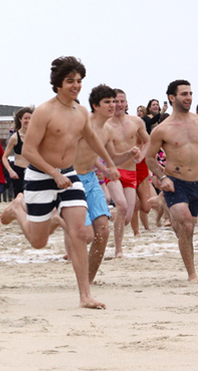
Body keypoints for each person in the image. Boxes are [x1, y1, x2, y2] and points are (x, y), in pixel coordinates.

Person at [0, 56, 120, 309]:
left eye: (78, 81)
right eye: (70, 81)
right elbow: (29, 151)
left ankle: (85, 295)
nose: (76, 86)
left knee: (78, 232)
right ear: (57, 84)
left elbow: (93, 138)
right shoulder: (44, 111)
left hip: (70, 175)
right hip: (41, 176)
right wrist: (54, 174)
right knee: (38, 242)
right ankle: (17, 210)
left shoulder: (81, 112)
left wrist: (109, 163)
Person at [146, 80, 198, 282]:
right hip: (175, 181)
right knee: (187, 226)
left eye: (190, 93)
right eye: (183, 94)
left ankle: (170, 214)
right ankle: (192, 274)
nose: (188, 97)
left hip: (195, 182)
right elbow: (150, 158)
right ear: (172, 98)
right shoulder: (162, 129)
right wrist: (162, 177)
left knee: (187, 229)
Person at [68, 84, 137, 283]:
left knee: (103, 231)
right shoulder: (83, 125)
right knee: (87, 235)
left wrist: (128, 154)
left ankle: (88, 280)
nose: (113, 105)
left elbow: (112, 158)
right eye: (108, 102)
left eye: (114, 101)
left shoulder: (107, 130)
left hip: (90, 180)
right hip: (72, 180)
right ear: (95, 106)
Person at [105, 89, 150, 257]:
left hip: (131, 172)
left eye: (121, 101)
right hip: (113, 171)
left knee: (126, 217)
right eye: (114, 101)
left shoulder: (136, 122)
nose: (118, 105)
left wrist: (141, 155)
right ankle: (118, 250)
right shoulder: (105, 124)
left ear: (126, 103)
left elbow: (148, 140)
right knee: (122, 205)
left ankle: (105, 214)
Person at [2, 107, 34, 196]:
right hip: (19, 170)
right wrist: (10, 170)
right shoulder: (15, 137)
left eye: (30, 118)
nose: (28, 121)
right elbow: (4, 157)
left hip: (34, 170)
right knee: (20, 198)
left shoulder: (36, 135)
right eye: (26, 118)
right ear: (20, 119)